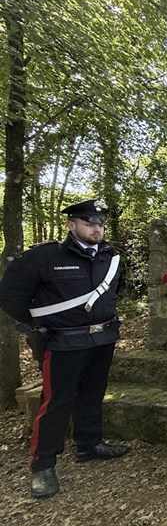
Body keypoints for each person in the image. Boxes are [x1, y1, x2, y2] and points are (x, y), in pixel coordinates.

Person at [0, 199, 127, 498]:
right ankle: (43, 465)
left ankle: (88, 444)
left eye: (99, 223)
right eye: (88, 222)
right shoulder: (45, 257)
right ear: (71, 225)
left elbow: (111, 295)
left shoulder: (110, 258)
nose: (96, 228)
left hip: (102, 339)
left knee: (93, 394)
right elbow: (10, 296)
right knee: (56, 401)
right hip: (63, 342)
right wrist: (40, 323)